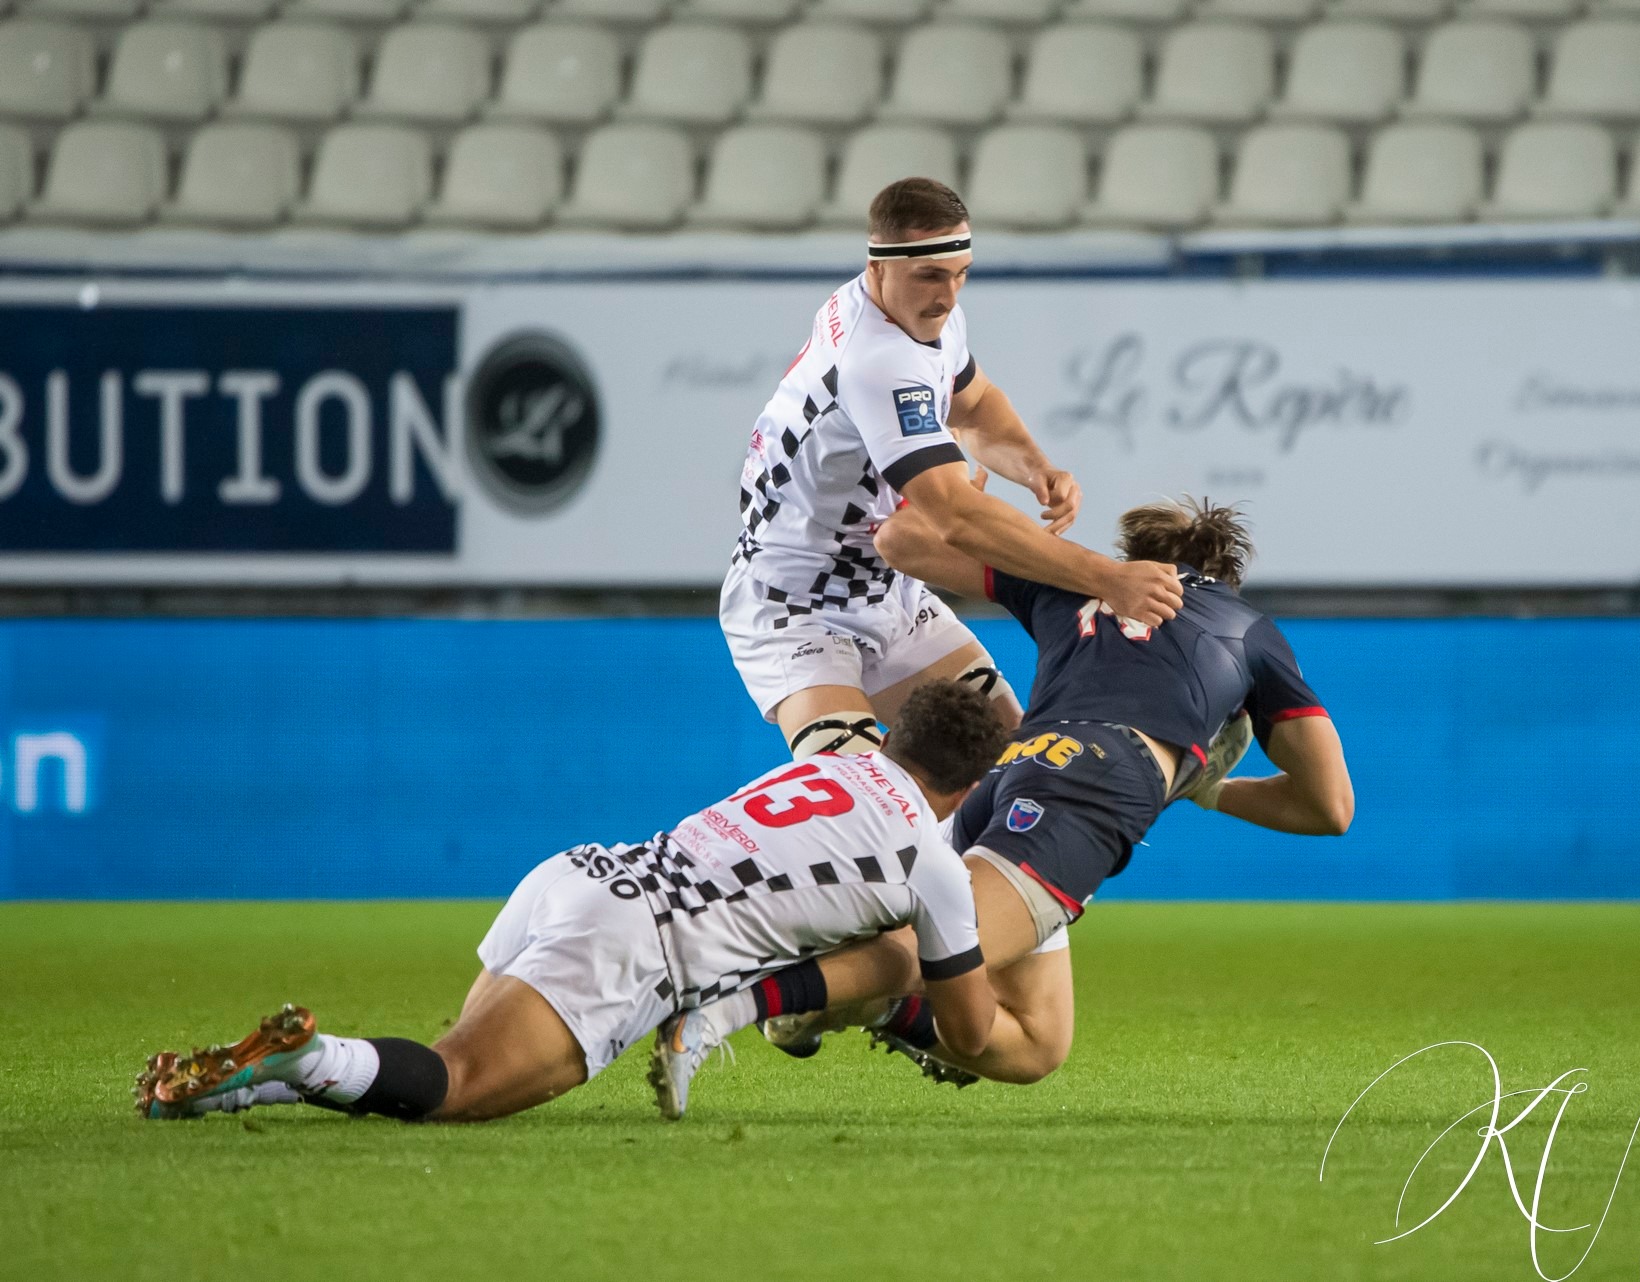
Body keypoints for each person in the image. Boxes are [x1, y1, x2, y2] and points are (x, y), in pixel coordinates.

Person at [134, 683, 1012, 1125]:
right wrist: (909, 994)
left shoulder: (827, 764)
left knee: (448, 1058)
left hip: (586, 872)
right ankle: (307, 1053)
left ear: (896, 736)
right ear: (971, 783)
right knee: (456, 1089)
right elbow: (972, 1034)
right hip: (636, 943)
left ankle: (241, 1086)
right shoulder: (932, 862)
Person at [724, 495, 1355, 1088]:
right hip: (1097, 780)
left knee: (1035, 1045)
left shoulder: (1079, 580)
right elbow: (1329, 807)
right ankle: (739, 994)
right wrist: (1204, 788)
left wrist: (957, 503)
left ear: (1135, 555)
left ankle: (861, 1002)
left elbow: (898, 539)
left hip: (1011, 768)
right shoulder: (1249, 629)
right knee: (940, 955)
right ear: (1226, 578)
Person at [723, 176, 1183, 761]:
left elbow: (973, 403)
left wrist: (1035, 467)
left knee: (1006, 766)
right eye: (932, 276)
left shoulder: (917, 312)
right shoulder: (877, 358)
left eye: (960, 272)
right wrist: (1109, 578)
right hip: (798, 606)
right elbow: (958, 519)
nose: (949, 295)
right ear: (878, 264)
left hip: (888, 590)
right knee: (865, 807)